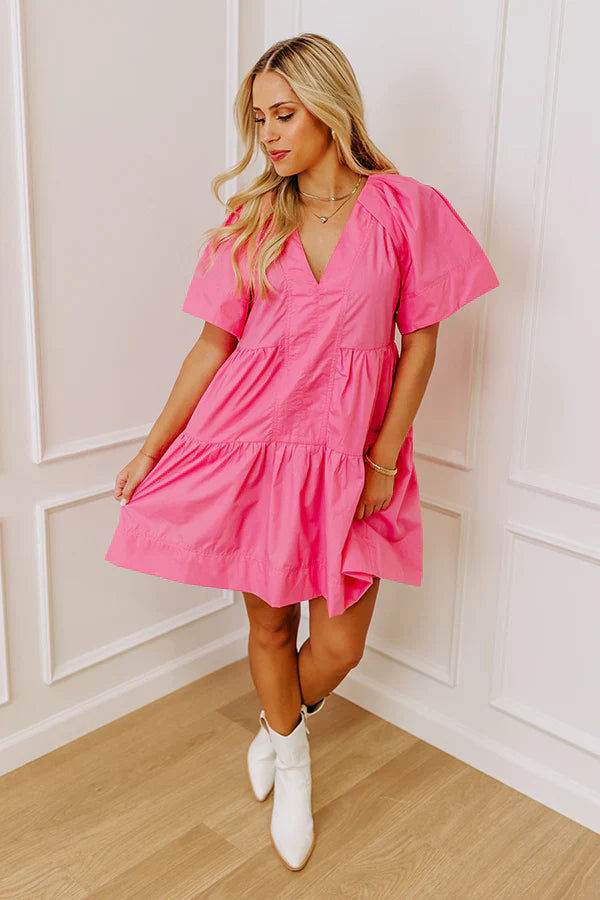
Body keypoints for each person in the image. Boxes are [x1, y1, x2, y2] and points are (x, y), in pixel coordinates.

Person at [104, 33, 500, 871]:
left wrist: (384, 461)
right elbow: (211, 349)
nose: (269, 135)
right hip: (252, 447)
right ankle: (292, 765)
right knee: (271, 623)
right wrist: (150, 450)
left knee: (341, 645)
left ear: (330, 106)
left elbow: (421, 343)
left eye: (283, 114)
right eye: (258, 119)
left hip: (355, 454)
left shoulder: (404, 207)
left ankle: (276, 722)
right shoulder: (253, 220)